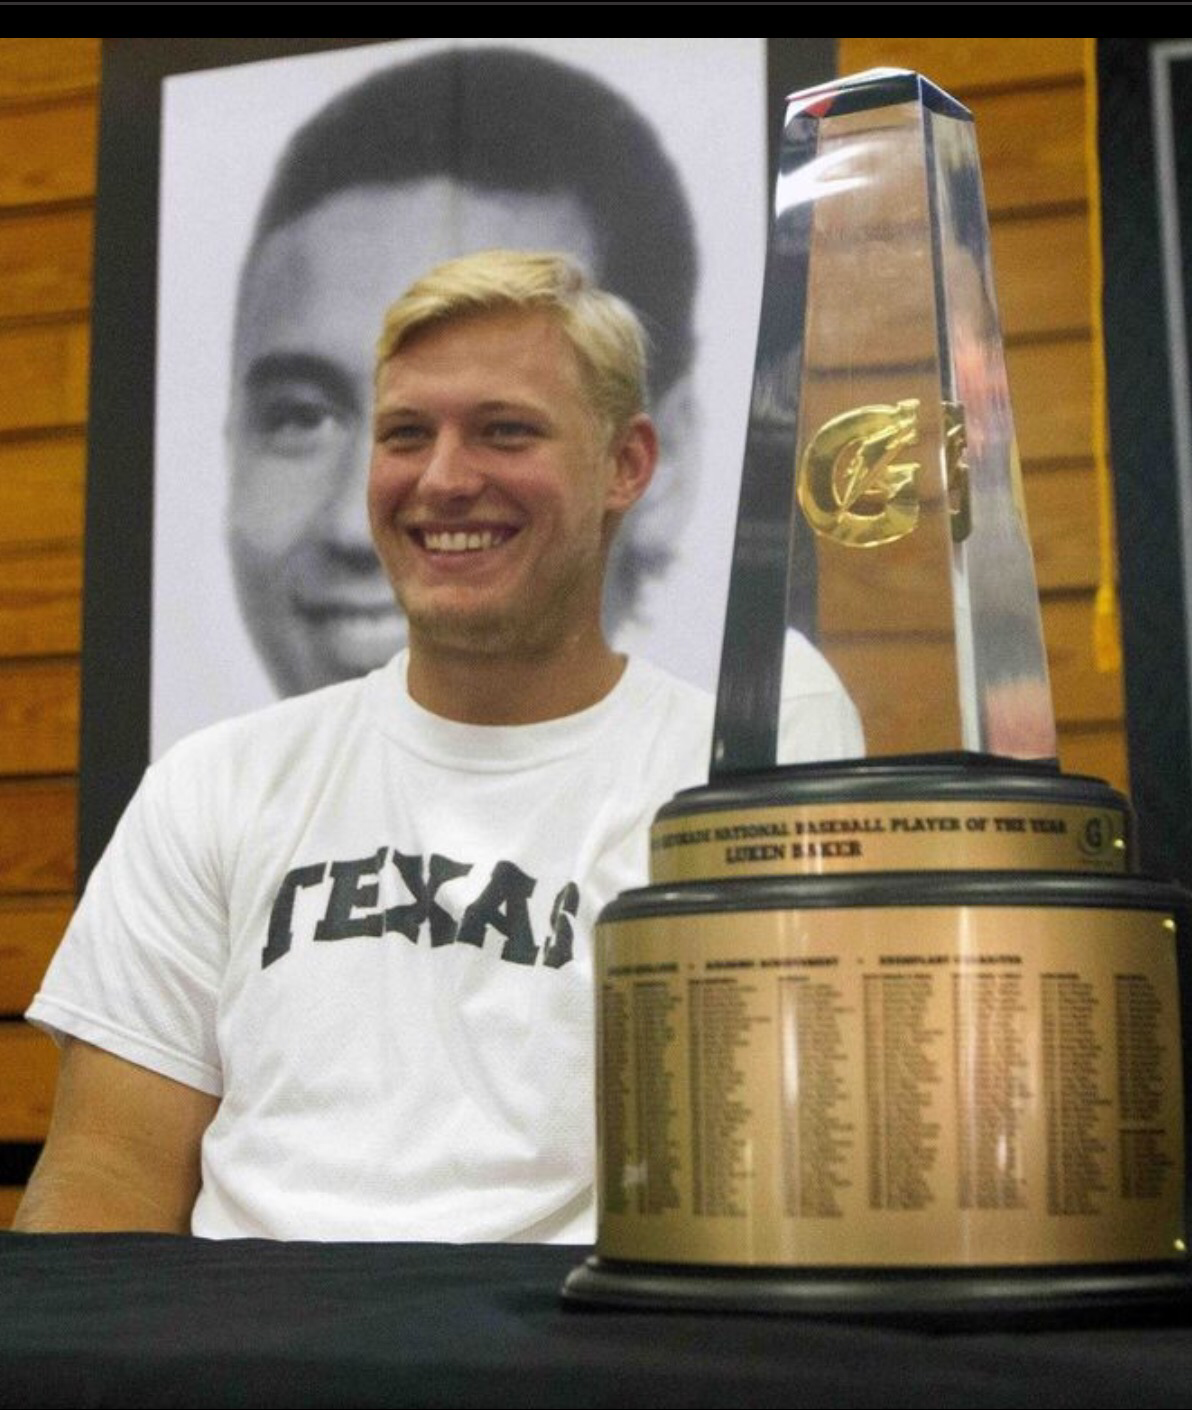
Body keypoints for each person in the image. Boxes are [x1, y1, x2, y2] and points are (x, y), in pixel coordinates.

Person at [18, 251, 861, 1241]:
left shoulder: (729, 785)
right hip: (243, 1330)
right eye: (406, 435)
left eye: (505, 431)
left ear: (626, 465)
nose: (444, 479)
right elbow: (105, 1176)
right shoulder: (213, 785)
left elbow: (805, 1179)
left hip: (576, 1330)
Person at [226, 45, 700, 698]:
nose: (354, 529)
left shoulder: (738, 753)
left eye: (504, 428)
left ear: (642, 461)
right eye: (302, 416)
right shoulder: (213, 767)